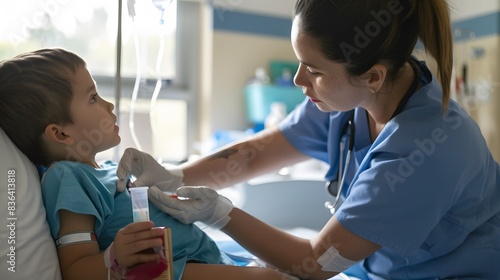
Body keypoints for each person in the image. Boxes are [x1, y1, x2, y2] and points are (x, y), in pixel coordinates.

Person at [117, 0, 500, 279]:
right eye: (300, 62)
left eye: (314, 70)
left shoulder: (427, 150)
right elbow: (253, 156)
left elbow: (318, 263)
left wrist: (220, 213)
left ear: (373, 77)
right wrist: (174, 177)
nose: (299, 81)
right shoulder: (347, 99)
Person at [0, 48, 297, 280]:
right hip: (169, 271)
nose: (109, 105)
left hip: (197, 257)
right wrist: (112, 258)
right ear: (61, 133)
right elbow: (76, 268)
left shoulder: (104, 170)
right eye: (93, 98)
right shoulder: (68, 178)